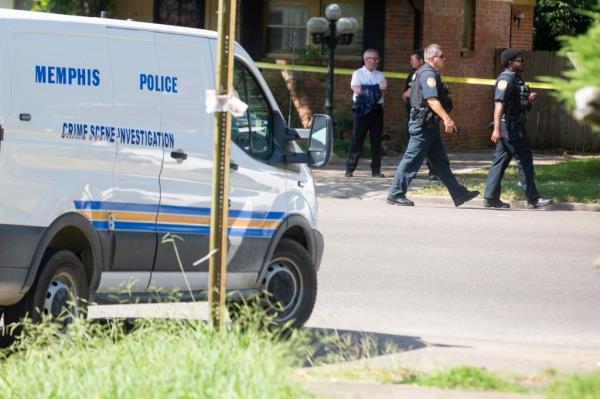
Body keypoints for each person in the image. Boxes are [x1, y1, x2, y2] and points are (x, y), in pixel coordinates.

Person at [387, 44, 479, 207]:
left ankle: (458, 193)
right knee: (411, 160)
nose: (444, 59)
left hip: (428, 126)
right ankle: (395, 193)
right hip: (423, 126)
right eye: (441, 56)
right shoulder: (428, 74)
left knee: (440, 162)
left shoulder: (425, 72)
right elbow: (431, 100)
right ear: (431, 58)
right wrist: (447, 119)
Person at [483, 49, 553, 209]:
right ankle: (533, 199)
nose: (523, 63)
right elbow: (499, 104)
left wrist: (528, 100)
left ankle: (490, 198)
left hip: (511, 126)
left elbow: (515, 103)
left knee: (499, 162)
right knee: (525, 160)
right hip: (510, 128)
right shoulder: (505, 79)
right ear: (510, 62)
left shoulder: (515, 78)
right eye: (520, 61)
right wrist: (497, 128)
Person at [345, 49, 387, 178]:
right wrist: (375, 89)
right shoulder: (357, 73)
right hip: (361, 109)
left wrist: (366, 90)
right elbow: (355, 89)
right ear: (366, 59)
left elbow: (383, 90)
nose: (376, 62)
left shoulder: (380, 74)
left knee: (376, 140)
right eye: (374, 59)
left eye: (377, 59)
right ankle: (350, 169)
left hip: (376, 109)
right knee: (357, 139)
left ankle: (376, 170)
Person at [403, 49, 437, 181]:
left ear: (421, 60)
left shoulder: (426, 73)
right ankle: (409, 173)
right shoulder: (412, 74)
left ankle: (433, 171)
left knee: (426, 146)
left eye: (413, 59)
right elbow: (405, 93)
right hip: (413, 115)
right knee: (412, 147)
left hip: (425, 116)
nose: (410, 61)